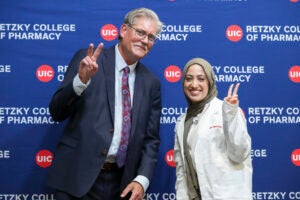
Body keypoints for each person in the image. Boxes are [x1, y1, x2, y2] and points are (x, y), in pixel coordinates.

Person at [47, 7, 163, 200]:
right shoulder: (90, 60)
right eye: (140, 32)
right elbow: (56, 112)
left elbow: (151, 140)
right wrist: (80, 82)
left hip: (122, 184)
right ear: (124, 30)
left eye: (151, 37)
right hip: (76, 179)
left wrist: (141, 179)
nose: (145, 40)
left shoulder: (151, 83)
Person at [174, 58, 253, 200]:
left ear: (210, 82)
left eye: (201, 79)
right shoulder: (182, 121)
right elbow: (182, 171)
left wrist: (230, 114)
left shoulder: (227, 110)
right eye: (189, 78)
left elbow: (240, 154)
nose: (194, 84)